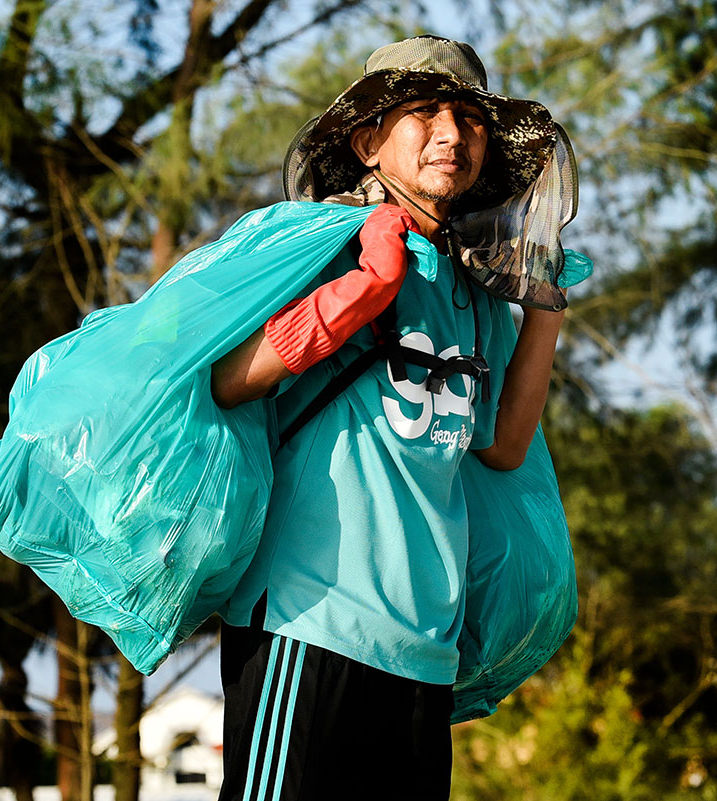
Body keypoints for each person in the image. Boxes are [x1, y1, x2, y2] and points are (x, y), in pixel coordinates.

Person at [210, 35, 570, 799]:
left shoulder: (471, 293)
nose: (453, 131)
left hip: (422, 656)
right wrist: (363, 289)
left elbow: (503, 446)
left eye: (471, 117)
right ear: (369, 140)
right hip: (308, 627)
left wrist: (542, 309)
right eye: (425, 111)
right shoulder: (320, 245)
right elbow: (228, 379)